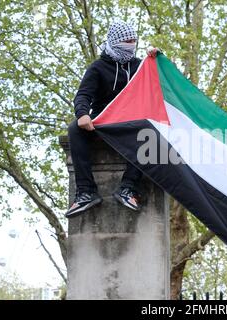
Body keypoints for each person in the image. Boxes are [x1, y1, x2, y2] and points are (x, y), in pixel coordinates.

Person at [65, 21, 159, 218]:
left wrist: (158, 60)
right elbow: (83, 95)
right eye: (127, 41)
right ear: (116, 42)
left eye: (134, 41)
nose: (132, 44)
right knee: (74, 129)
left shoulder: (141, 66)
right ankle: (85, 192)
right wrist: (82, 114)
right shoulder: (98, 68)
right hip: (103, 120)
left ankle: (128, 188)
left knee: (152, 132)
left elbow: (163, 80)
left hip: (130, 122)